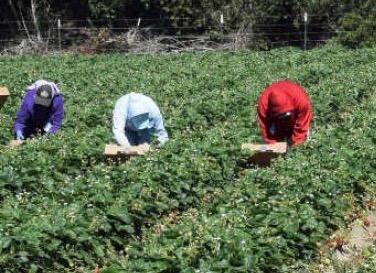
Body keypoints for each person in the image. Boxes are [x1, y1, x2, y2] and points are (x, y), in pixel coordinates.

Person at [257, 80, 313, 146]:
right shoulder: (264, 105)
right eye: (280, 116)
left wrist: (296, 145)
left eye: (285, 115)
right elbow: (265, 129)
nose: (283, 118)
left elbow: (302, 125)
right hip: (275, 120)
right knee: (274, 137)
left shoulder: (301, 101)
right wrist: (272, 146)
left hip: (295, 112)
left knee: (302, 140)